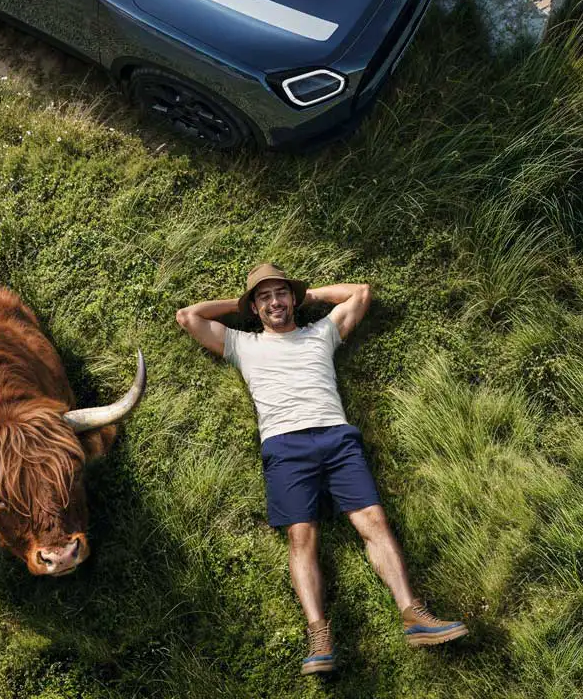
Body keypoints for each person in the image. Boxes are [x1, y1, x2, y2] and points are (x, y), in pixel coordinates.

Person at [176, 264, 467, 675]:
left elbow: (360, 292)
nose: (275, 303)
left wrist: (307, 295)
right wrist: (243, 305)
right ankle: (319, 637)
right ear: (254, 308)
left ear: (292, 299)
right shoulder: (242, 343)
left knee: (374, 521)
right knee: (302, 536)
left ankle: (413, 615)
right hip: (284, 446)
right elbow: (188, 316)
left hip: (336, 437)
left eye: (281, 294)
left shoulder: (321, 332)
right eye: (264, 298)